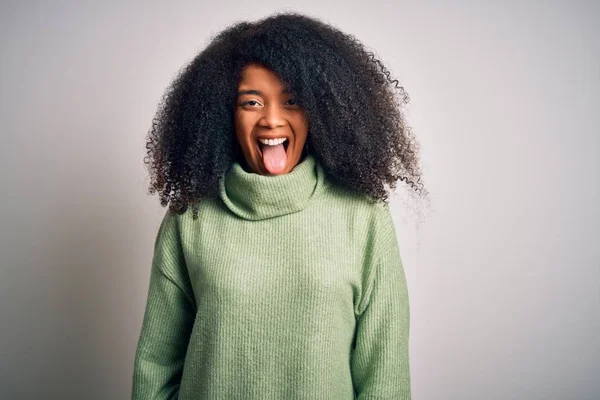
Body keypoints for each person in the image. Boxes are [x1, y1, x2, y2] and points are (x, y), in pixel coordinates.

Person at [132, 11, 427, 400]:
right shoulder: (190, 217)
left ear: (320, 111)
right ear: (225, 114)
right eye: (251, 102)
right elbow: (155, 369)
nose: (272, 120)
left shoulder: (363, 215)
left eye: (291, 101)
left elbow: (384, 377)